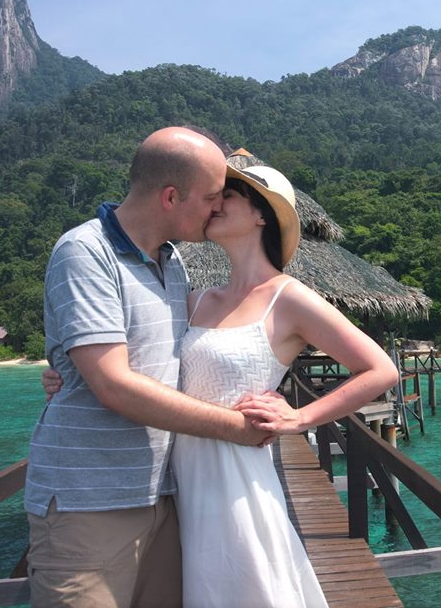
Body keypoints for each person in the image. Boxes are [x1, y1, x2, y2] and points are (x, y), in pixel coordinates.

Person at [27, 127, 270, 608]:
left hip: (165, 497)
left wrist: (266, 388)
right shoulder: (85, 252)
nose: (216, 208)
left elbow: (180, 356)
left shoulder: (172, 261)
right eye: (210, 198)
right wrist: (236, 428)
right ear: (171, 197)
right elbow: (114, 385)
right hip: (89, 506)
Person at [170, 161, 398, 607]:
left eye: (228, 196)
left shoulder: (287, 297)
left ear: (262, 215)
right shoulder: (195, 300)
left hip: (237, 481)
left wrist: (300, 418)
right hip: (177, 476)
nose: (215, 204)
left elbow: (380, 370)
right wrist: (69, 374)